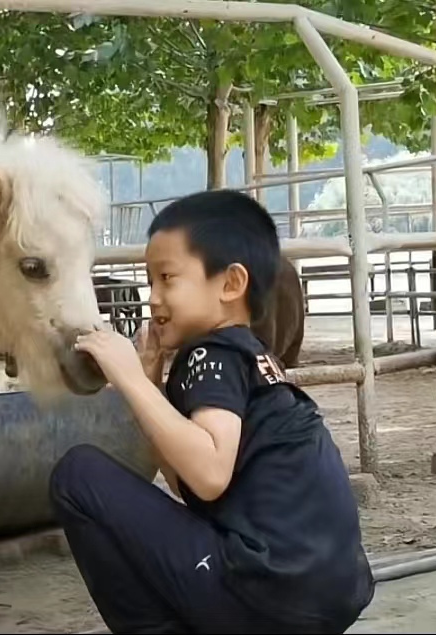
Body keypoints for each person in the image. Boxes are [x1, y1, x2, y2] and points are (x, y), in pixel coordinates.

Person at [50, 189, 375, 634]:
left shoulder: (211, 355)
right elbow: (197, 489)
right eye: (150, 281)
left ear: (230, 284)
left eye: (167, 278)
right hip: (326, 593)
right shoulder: (254, 358)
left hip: (265, 590)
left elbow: (208, 473)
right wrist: (149, 388)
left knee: (77, 476)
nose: (153, 297)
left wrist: (126, 377)